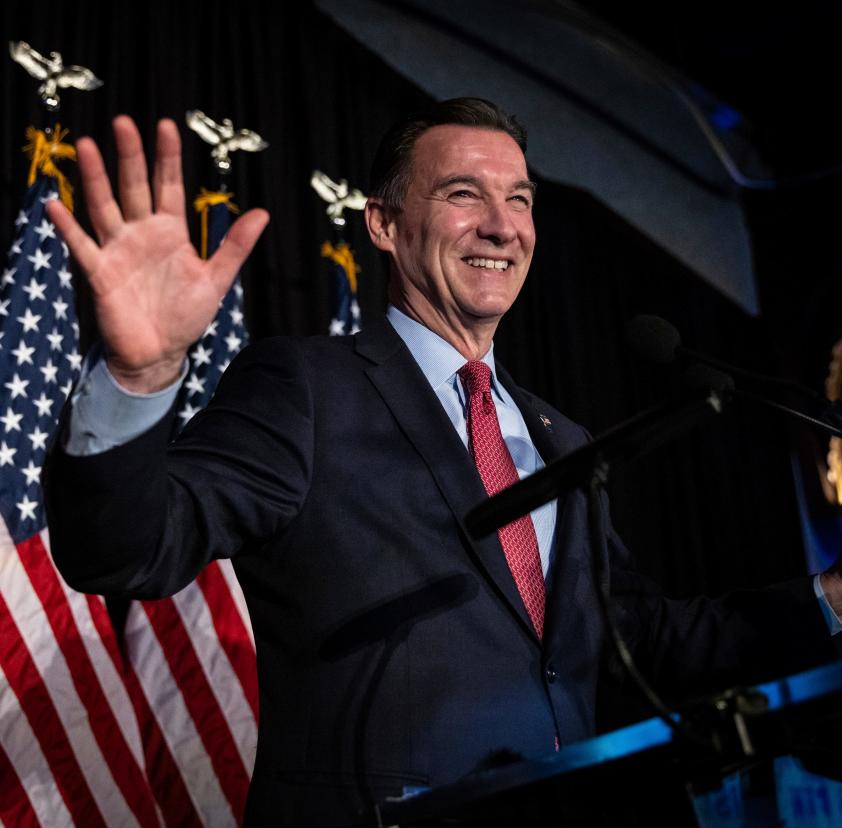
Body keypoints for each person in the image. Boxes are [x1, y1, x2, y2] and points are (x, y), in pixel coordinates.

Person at [43, 100, 842, 825]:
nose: (502, 226)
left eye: (520, 200)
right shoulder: (308, 389)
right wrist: (139, 378)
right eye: (464, 194)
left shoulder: (560, 437)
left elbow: (636, 637)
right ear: (385, 224)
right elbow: (127, 547)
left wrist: (829, 599)